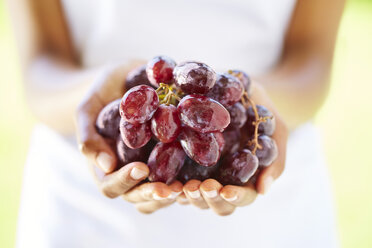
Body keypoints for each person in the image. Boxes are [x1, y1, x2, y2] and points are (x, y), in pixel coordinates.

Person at [8, 0, 344, 247]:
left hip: (275, 223)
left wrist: (258, 99)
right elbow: (39, 70)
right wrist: (93, 92)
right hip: (82, 216)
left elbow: (311, 63)